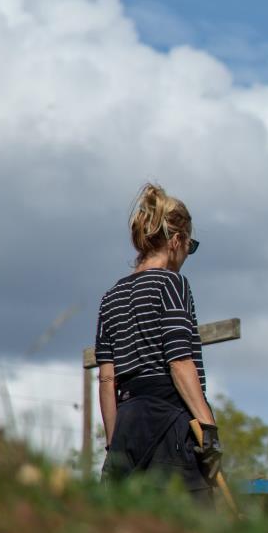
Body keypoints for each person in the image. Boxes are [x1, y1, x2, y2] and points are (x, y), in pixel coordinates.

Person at [95, 183, 220, 500]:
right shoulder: (172, 284)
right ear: (177, 241)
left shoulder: (110, 299)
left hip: (127, 425)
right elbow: (179, 362)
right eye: (189, 247)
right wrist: (207, 428)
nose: (186, 256)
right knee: (195, 531)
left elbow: (107, 379)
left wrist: (114, 447)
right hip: (170, 424)